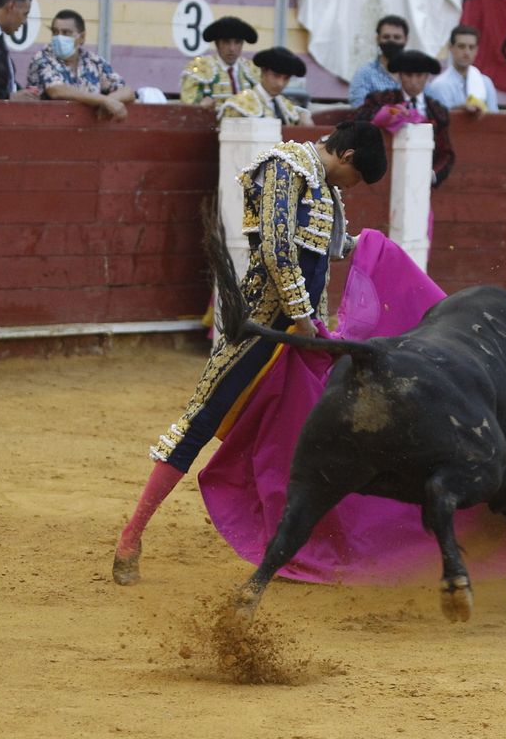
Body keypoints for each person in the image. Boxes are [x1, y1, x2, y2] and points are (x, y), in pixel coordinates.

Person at [112, 122, 389, 585]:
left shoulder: (322, 187)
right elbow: (279, 253)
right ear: (349, 156)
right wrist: (303, 323)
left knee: (311, 440)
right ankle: (131, 536)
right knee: (197, 424)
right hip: (262, 332)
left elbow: (329, 250)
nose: (353, 187)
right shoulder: (284, 168)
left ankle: (298, 550)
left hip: (302, 338)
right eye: (357, 177)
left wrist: (375, 248)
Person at [355, 49, 455, 187]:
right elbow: (360, 118)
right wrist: (387, 114)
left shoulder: (438, 111)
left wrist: (432, 175)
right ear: (400, 75)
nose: (414, 81)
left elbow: (446, 154)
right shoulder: (380, 100)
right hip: (383, 177)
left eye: (419, 75)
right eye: (409, 75)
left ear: (427, 77)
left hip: (421, 182)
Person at [27, 9, 137, 119]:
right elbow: (56, 90)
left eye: (66, 33)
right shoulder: (43, 58)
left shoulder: (94, 61)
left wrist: (111, 100)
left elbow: (127, 91)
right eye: (55, 32)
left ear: (82, 37)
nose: (59, 37)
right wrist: (104, 100)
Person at [180, 16, 260, 110]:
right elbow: (188, 108)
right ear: (217, 44)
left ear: (242, 44)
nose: (232, 48)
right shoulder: (200, 69)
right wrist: (200, 106)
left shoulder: (252, 70)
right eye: (226, 42)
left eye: (237, 42)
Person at [220, 46, 315, 125]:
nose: (280, 83)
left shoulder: (285, 106)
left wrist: (304, 114)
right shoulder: (238, 104)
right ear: (263, 71)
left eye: (286, 78)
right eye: (276, 76)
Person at [427, 25, 499, 115]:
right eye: (461, 46)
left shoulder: (486, 83)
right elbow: (442, 120)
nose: (467, 52)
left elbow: (494, 118)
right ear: (451, 48)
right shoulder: (439, 85)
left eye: (471, 47)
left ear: (476, 50)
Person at [347, 16, 409, 107]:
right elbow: (359, 108)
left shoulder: (416, 73)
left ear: (406, 40)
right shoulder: (365, 74)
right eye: (386, 37)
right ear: (377, 39)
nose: (391, 41)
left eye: (397, 37)